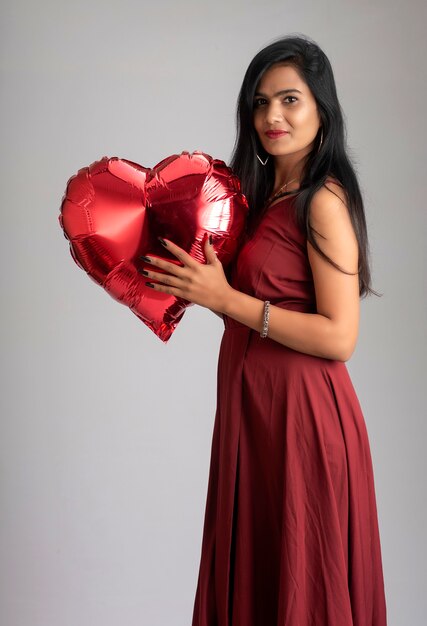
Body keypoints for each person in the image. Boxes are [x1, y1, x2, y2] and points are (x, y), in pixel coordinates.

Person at [140, 34, 387, 626]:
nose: (271, 116)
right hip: (253, 412)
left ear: (322, 110)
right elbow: (250, 302)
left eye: (290, 100)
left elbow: (340, 336)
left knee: (303, 578)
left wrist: (228, 299)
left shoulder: (320, 201)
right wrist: (202, 292)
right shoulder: (260, 196)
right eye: (259, 101)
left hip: (301, 416)